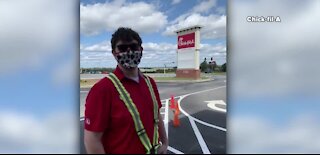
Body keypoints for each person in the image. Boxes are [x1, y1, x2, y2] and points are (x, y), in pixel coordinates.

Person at [84, 27, 168, 154]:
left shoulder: (149, 83)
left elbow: (157, 117)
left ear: (141, 50)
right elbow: (92, 140)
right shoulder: (102, 90)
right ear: (114, 53)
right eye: (122, 48)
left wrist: (165, 142)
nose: (129, 51)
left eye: (134, 46)